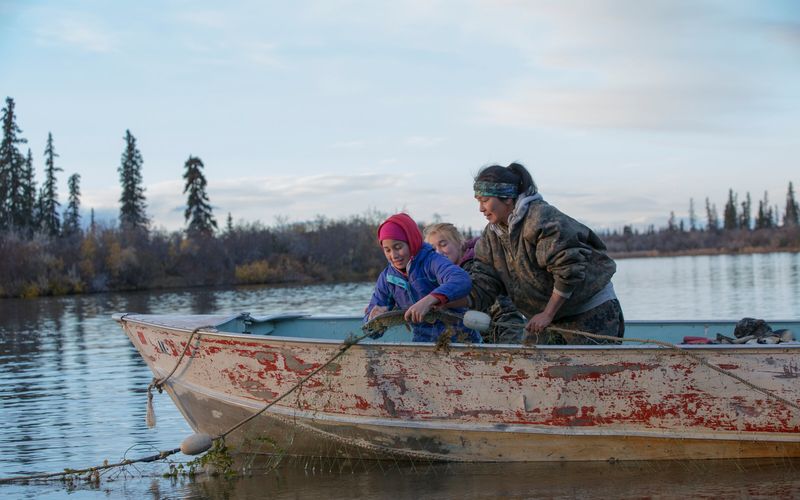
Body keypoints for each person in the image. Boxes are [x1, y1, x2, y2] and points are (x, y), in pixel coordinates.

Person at [468, 163, 624, 344]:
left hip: (590, 310)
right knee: (531, 368)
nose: (480, 208)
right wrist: (441, 299)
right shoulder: (491, 237)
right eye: (478, 201)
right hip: (545, 319)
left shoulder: (541, 218)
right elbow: (484, 282)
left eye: (485, 200)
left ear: (507, 197)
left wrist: (547, 314)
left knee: (589, 371)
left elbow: (568, 268)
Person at [364, 213, 481, 343]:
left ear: (411, 242)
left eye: (398, 247)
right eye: (387, 250)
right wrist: (373, 320)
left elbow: (461, 280)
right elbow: (371, 333)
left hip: (461, 340)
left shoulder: (432, 261)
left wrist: (429, 300)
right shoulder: (387, 278)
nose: (394, 255)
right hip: (423, 344)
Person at [423, 222, 525, 343]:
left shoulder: (479, 271)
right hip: (471, 344)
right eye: (433, 249)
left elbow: (506, 313)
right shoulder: (437, 279)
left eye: (443, 244)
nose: (439, 252)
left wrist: (507, 349)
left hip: (496, 344)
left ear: (459, 243)